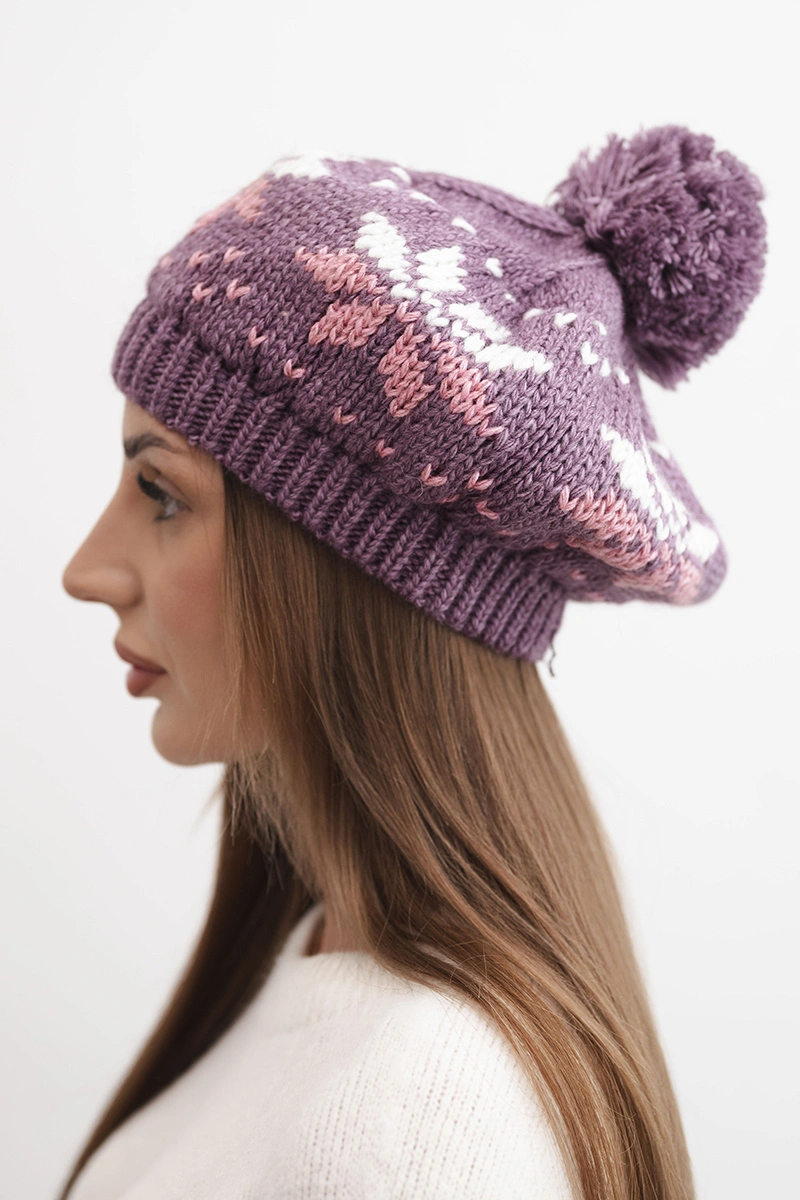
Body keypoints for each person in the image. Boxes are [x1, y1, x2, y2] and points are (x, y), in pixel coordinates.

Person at [57, 126, 766, 1200]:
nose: (87, 571)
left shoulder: (412, 1125)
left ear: (356, 567)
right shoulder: (323, 963)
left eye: (161, 494)